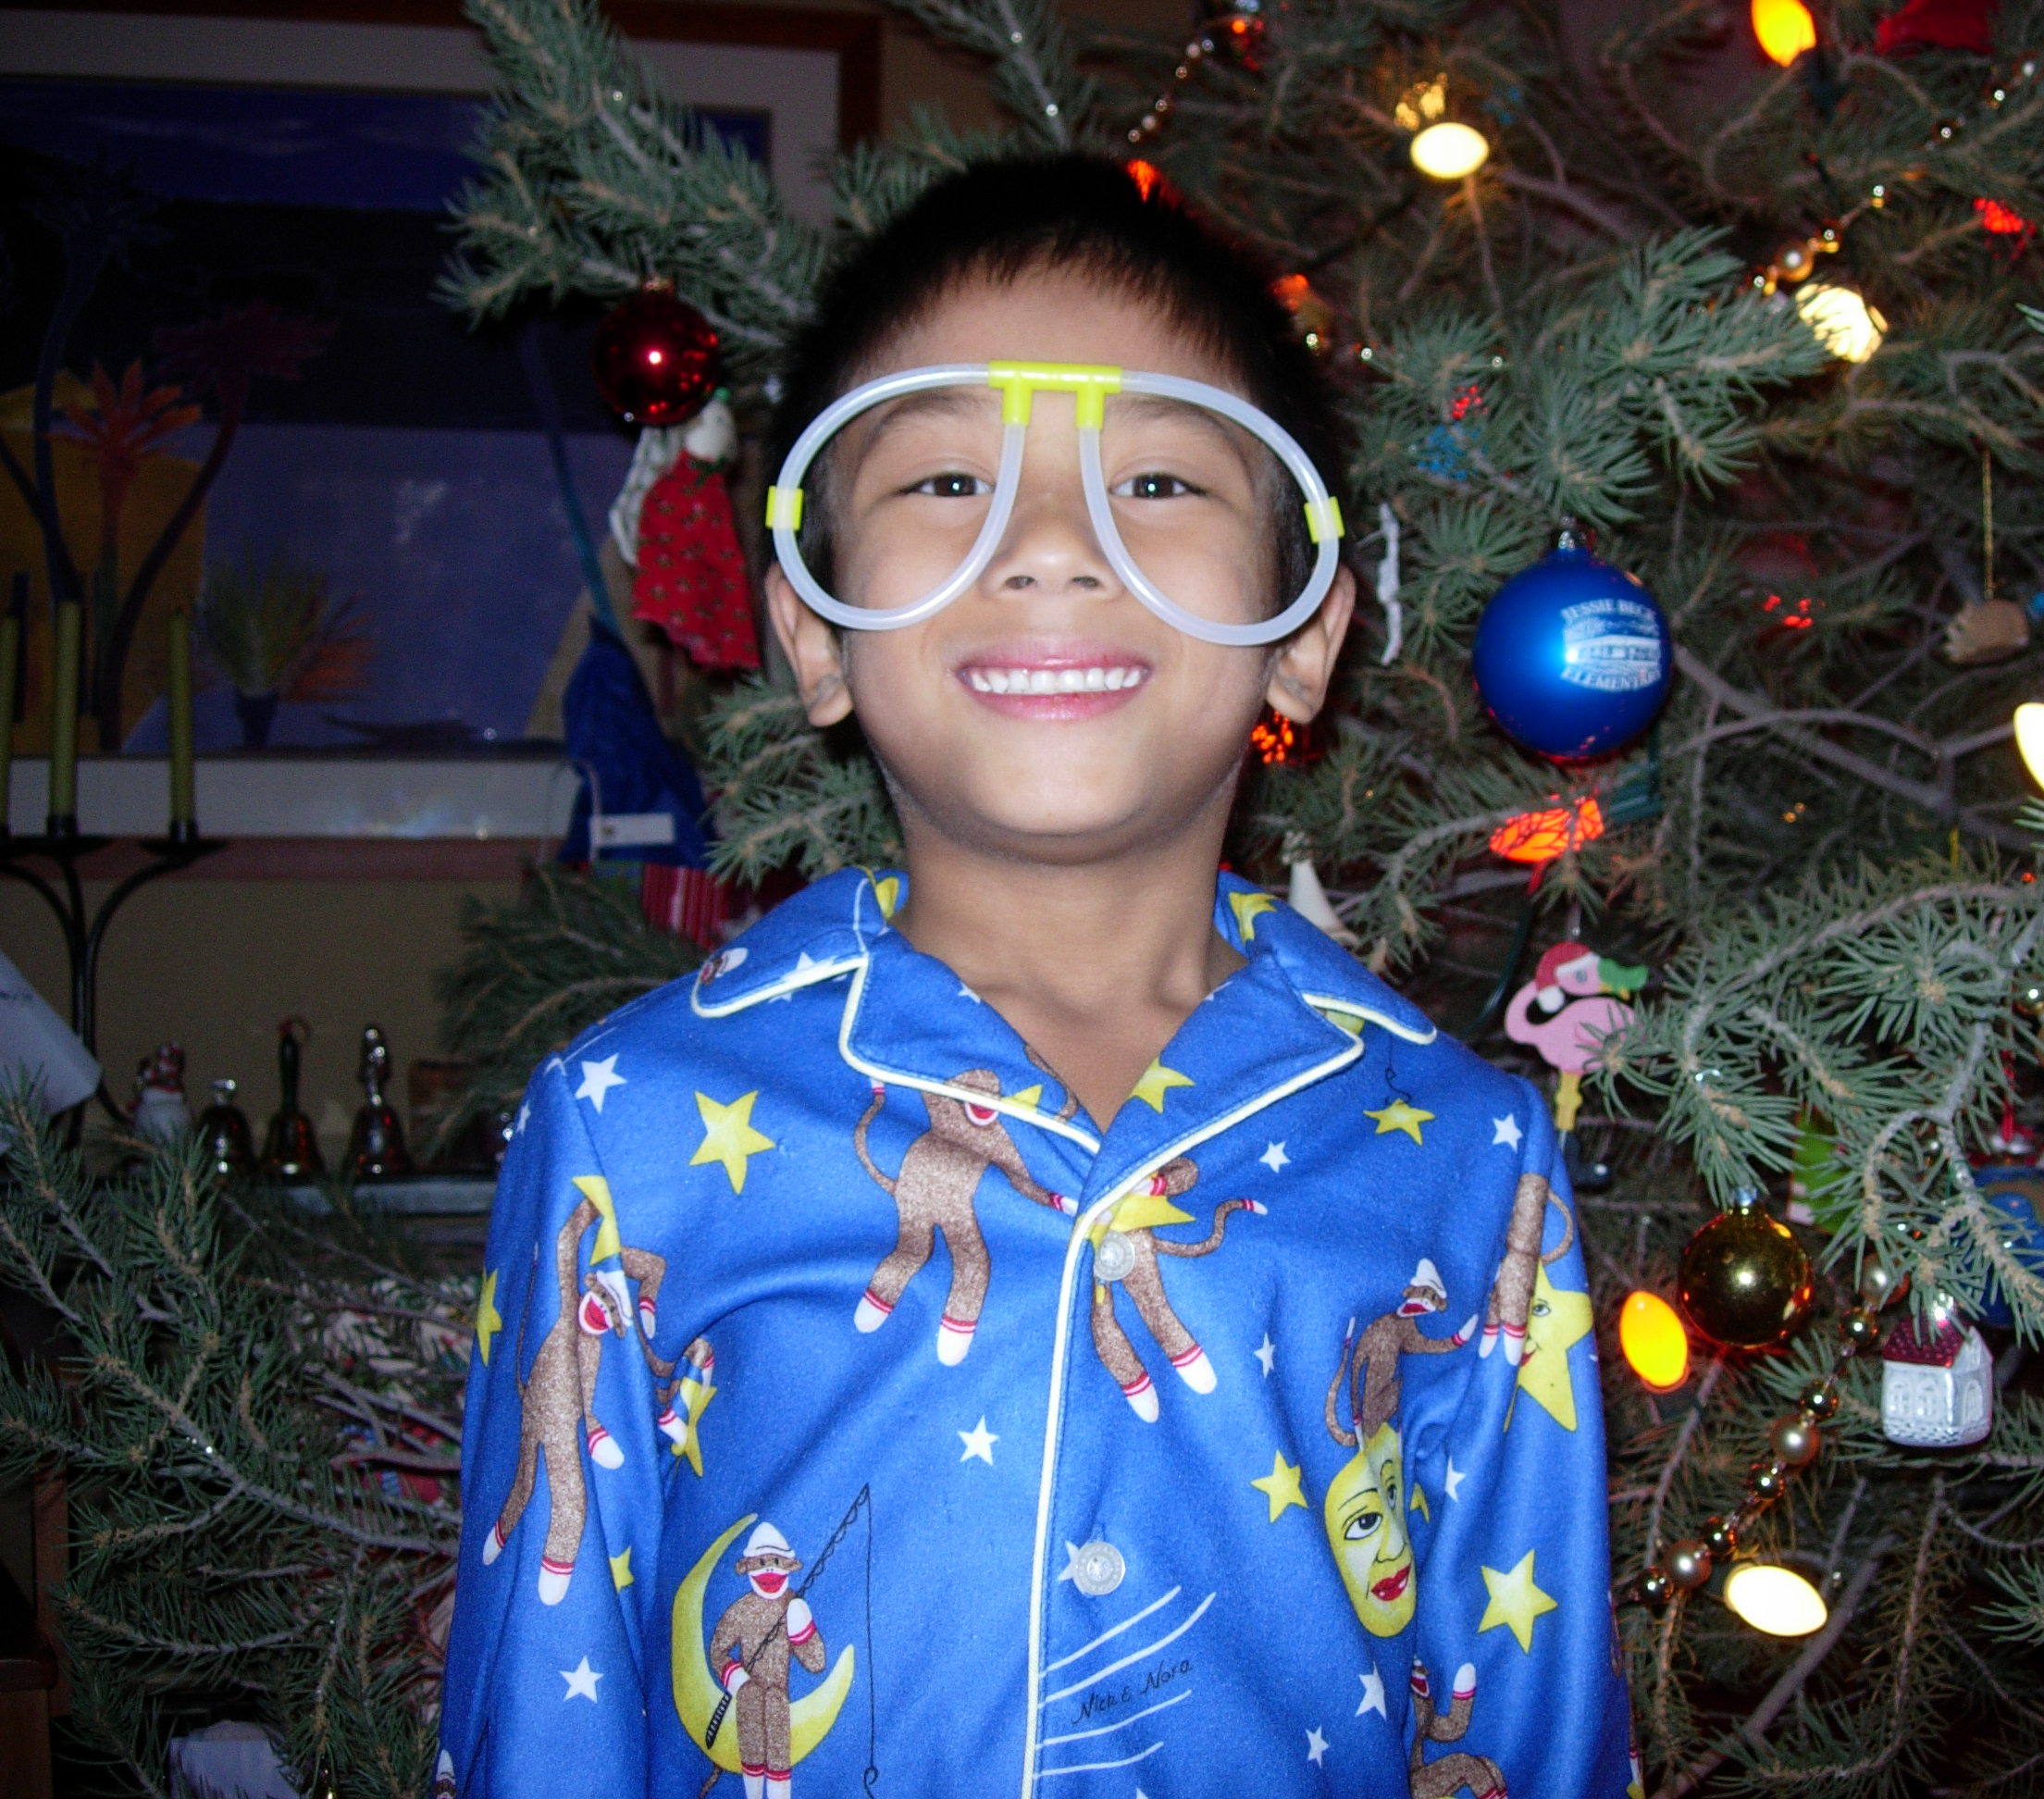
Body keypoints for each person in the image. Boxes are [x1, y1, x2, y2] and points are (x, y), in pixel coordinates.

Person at [438, 154, 1639, 1799]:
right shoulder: (629, 1128)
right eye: (949, 480)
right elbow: (543, 1714)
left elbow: (1525, 1734)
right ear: (815, 633)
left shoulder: (1474, 1158)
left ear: (1304, 631)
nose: (1054, 543)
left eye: (1157, 481)